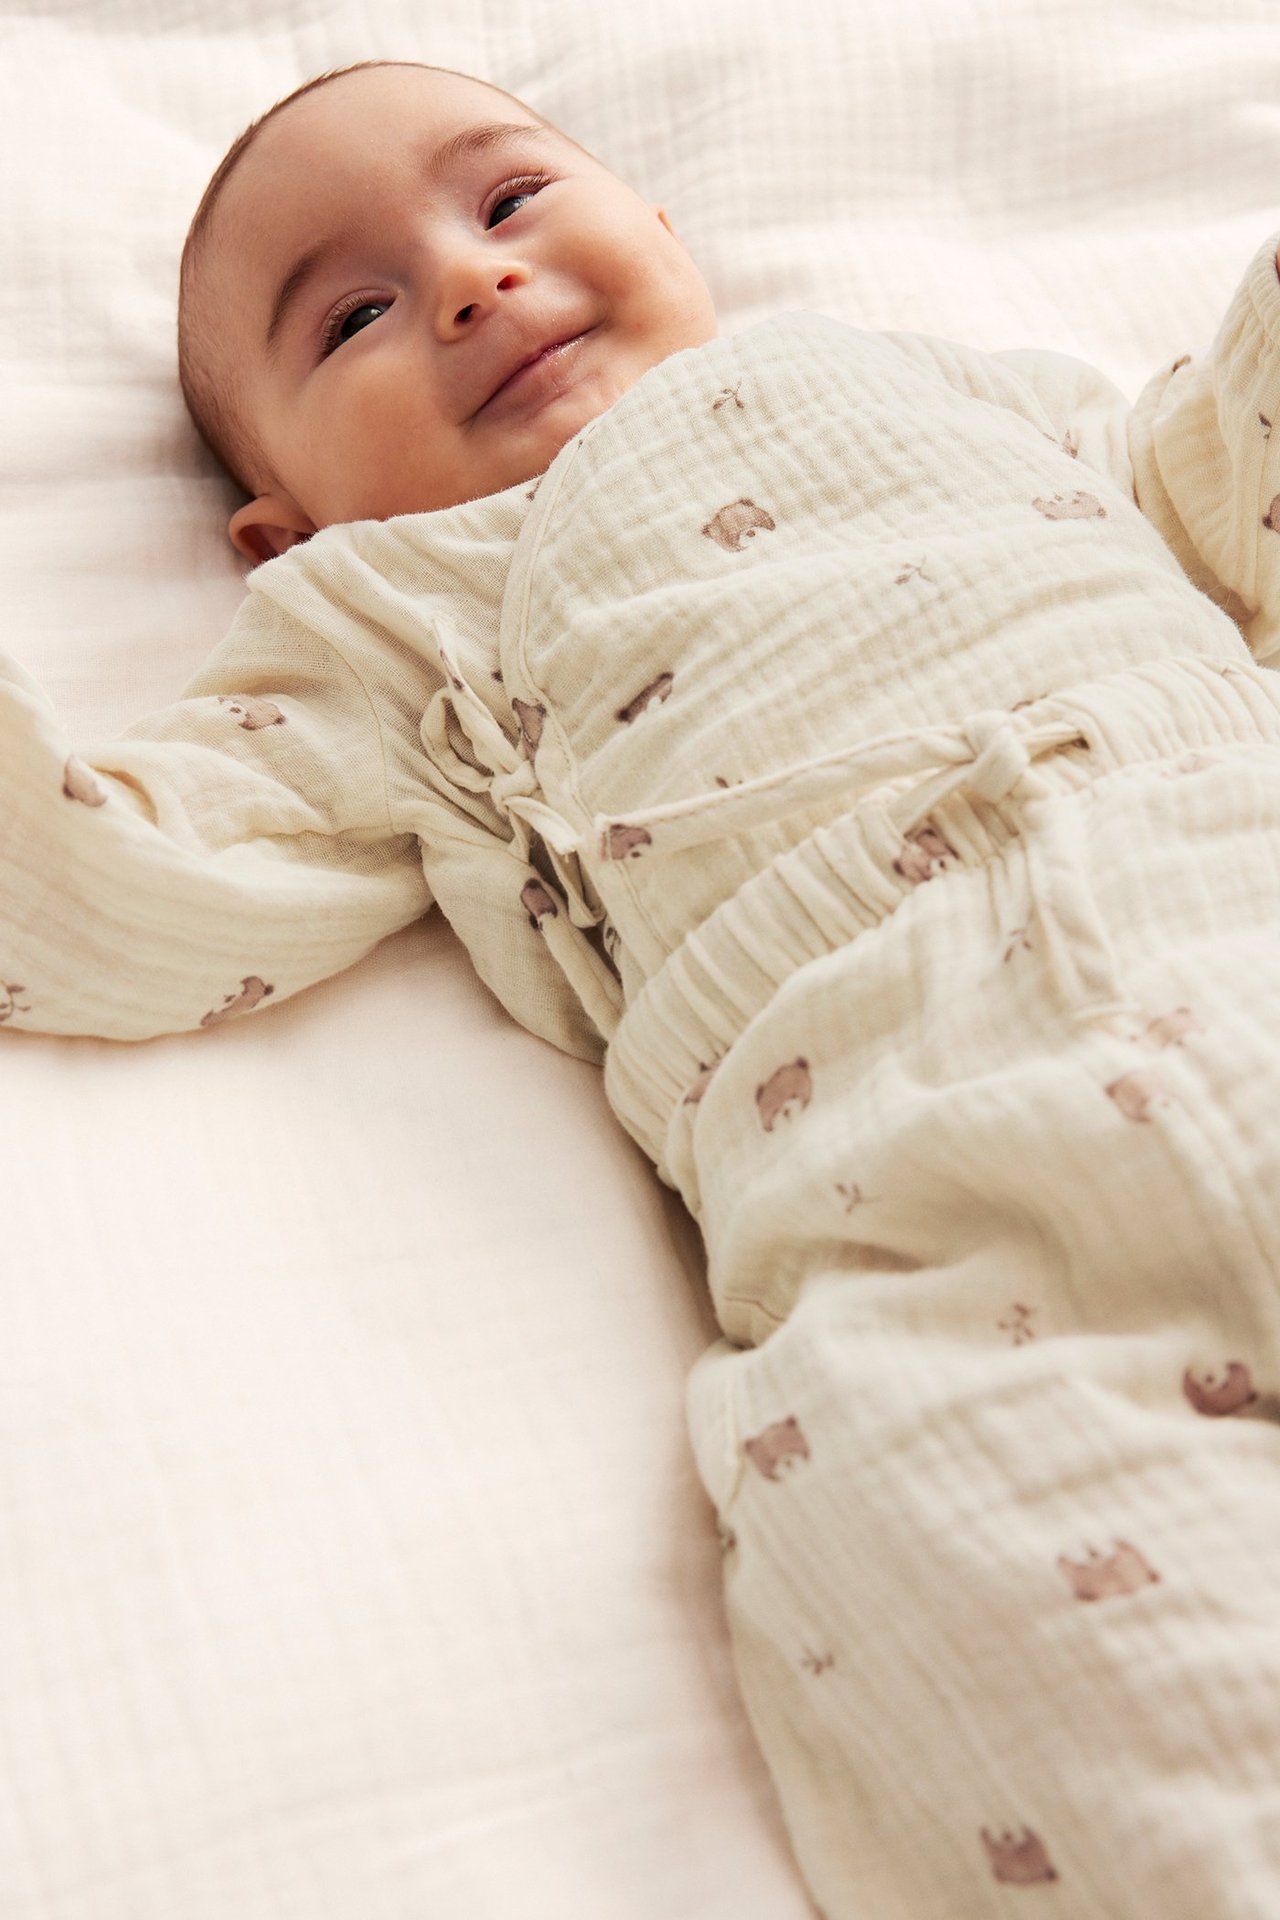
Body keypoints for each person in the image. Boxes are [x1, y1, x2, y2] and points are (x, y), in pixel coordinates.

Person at [6, 53, 1280, 1917]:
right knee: (916, 1519)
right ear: (284, 527)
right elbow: (129, 884)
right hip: (912, 1159)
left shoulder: (930, 380)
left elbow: (1213, 485)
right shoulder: (384, 609)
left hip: (1224, 861)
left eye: (510, 199)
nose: (469, 281)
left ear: (668, 234)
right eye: (352, 317)